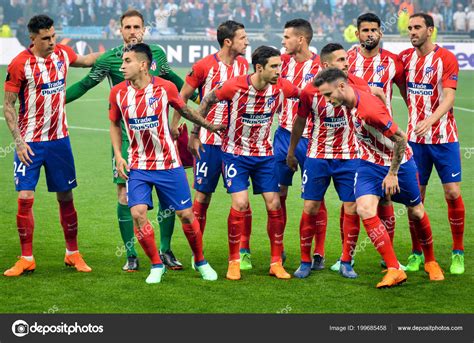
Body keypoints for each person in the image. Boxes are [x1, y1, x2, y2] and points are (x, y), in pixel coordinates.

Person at [66, 9, 197, 272]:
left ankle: (166, 249)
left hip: (159, 141)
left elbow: (175, 81)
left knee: (167, 198)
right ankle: (131, 254)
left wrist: (203, 100)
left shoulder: (156, 55)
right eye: (128, 27)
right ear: (121, 30)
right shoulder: (110, 59)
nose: (133, 31)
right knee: (125, 196)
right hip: (128, 140)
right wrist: (53, 101)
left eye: (137, 27)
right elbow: (84, 86)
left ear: (144, 29)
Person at [314, 67, 444, 288]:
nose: (327, 100)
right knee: (364, 208)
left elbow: (401, 139)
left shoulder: (369, 111)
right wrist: (383, 98)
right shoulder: (351, 93)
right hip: (369, 164)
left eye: (328, 95)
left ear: (342, 87)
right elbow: (374, 89)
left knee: (416, 211)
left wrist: (392, 173)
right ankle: (394, 269)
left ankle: (431, 261)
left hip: (399, 164)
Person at [109, 43, 222, 284]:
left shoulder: (165, 88)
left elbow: (186, 110)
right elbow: (114, 124)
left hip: (169, 163)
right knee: (138, 213)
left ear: (143, 64)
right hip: (138, 165)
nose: (122, 66)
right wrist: (119, 155)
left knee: (186, 215)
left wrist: (209, 126)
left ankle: (201, 261)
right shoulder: (118, 92)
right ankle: (156, 265)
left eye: (127, 61)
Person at [3, 14, 100, 276]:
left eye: (53, 36)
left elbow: (87, 60)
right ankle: (26, 258)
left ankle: (73, 253)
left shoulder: (63, 54)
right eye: (45, 38)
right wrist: (18, 142)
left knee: (66, 197)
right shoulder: (19, 64)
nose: (52, 42)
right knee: (25, 198)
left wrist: (118, 51)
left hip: (59, 141)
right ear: (32, 38)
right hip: (30, 144)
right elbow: (8, 105)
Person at [196, 46, 299, 281]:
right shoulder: (235, 86)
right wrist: (196, 131)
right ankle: (234, 261)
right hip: (235, 155)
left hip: (264, 155)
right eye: (274, 67)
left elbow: (304, 96)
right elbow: (207, 100)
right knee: (240, 203)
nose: (278, 71)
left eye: (279, 66)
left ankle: (276, 262)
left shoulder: (282, 86)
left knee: (274, 204)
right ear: (259, 67)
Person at [171, 20, 250, 270]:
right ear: (228, 42)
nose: (246, 41)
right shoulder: (204, 66)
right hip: (209, 143)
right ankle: (198, 253)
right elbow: (181, 97)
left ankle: (242, 253)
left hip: (236, 145)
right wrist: (178, 126)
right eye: (242, 37)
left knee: (241, 200)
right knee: (203, 196)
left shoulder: (245, 65)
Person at [287, 42, 369, 279]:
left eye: (346, 59)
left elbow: (374, 107)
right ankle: (305, 261)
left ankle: (346, 261)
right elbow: (300, 122)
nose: (347, 63)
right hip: (317, 157)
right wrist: (292, 152)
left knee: (351, 207)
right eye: (341, 60)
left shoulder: (357, 84)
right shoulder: (309, 91)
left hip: (350, 157)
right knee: (310, 207)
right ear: (326, 65)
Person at [399, 13, 465, 274]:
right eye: (410, 28)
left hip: (444, 139)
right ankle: (417, 253)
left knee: (453, 193)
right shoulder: (404, 58)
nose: (412, 32)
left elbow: (449, 98)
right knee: (415, 199)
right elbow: (398, 84)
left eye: (417, 27)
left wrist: (430, 119)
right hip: (415, 143)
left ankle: (457, 252)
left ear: (430, 30)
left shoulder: (446, 58)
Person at [347, 12, 406, 268]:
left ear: (381, 33)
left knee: (386, 197)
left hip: (383, 139)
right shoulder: (348, 59)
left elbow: (407, 93)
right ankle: (345, 257)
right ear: (357, 34)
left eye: (374, 30)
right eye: (365, 30)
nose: (370, 34)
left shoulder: (393, 62)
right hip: (352, 138)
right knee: (350, 200)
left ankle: (388, 259)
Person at [274, 18, 325, 271]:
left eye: (286, 38)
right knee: (278, 194)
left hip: (315, 140)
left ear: (301, 39)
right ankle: (278, 249)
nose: (283, 42)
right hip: (284, 136)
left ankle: (318, 253)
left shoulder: (320, 67)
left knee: (316, 199)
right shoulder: (281, 64)